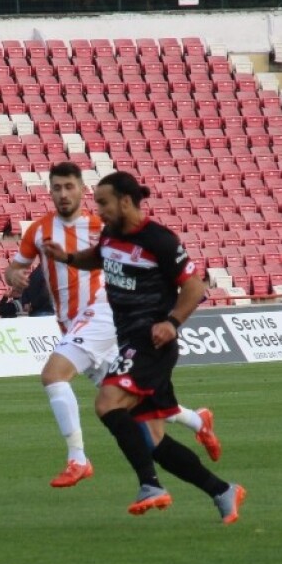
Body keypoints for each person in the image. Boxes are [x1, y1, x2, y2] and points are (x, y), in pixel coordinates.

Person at [42, 171, 246, 522]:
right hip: (130, 343)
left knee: (107, 402)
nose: (99, 210)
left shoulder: (159, 240)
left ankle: (150, 485)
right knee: (153, 439)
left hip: (152, 342)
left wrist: (172, 322)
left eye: (103, 203)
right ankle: (223, 491)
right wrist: (68, 259)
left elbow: (195, 287)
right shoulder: (112, 234)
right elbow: (100, 256)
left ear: (125, 201)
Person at [6, 162, 221, 490]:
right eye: (57, 188)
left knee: (53, 375)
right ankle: (196, 420)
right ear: (49, 191)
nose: (63, 194)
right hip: (74, 325)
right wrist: (16, 278)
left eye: (69, 187)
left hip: (100, 314)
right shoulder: (38, 230)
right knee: (134, 403)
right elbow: (14, 268)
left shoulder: (101, 225)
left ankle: (78, 458)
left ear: (82, 190)